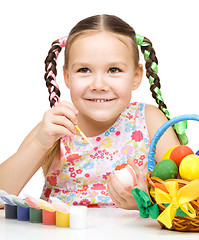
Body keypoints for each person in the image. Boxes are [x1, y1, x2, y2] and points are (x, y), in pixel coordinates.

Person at [0, 14, 180, 209]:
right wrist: (39, 144)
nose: (98, 84)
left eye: (113, 70)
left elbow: (187, 195)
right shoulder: (57, 126)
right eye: (84, 70)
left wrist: (147, 201)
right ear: (67, 77)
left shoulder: (148, 120)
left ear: (136, 77)